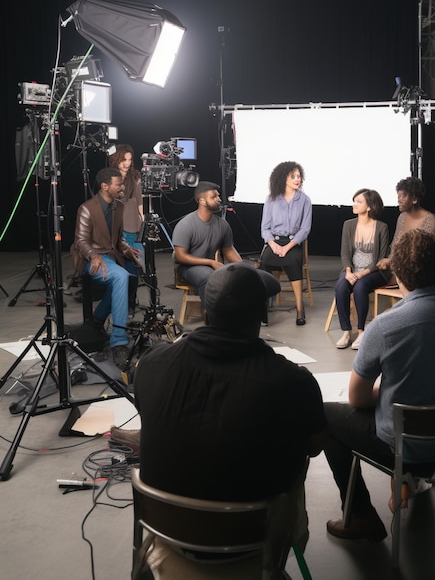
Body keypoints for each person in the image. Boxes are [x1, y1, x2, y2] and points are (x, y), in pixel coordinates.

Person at [133, 262, 327, 577]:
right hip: (252, 543)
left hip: (168, 540)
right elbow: (316, 445)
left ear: (206, 316)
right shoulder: (293, 382)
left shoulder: (151, 365)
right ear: (261, 317)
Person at [324, 229, 435, 541]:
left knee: (326, 417)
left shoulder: (385, 326)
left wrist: (385, 394)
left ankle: (361, 516)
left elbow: (358, 399)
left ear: (397, 274)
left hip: (405, 448)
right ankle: (408, 482)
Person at [70, 167, 142, 369]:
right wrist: (93, 256)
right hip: (89, 259)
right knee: (120, 276)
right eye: (118, 184)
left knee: (130, 274)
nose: (122, 187)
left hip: (111, 256)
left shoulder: (118, 206)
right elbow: (80, 242)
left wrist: (127, 250)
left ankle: (97, 319)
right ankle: (119, 342)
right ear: (105, 186)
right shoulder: (87, 208)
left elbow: (117, 239)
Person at [172, 181, 242, 313]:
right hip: (187, 268)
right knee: (209, 276)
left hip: (210, 266)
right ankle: (210, 317)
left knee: (240, 275)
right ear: (202, 201)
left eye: (218, 196)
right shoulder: (186, 224)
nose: (219, 200)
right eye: (214, 197)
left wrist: (243, 266)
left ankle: (236, 312)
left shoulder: (222, 225)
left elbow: (228, 249)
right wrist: (210, 262)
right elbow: (181, 256)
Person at [334, 188, 390, 350]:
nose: (355, 204)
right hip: (353, 270)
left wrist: (361, 274)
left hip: (374, 272)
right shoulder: (349, 225)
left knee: (360, 287)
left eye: (359, 202)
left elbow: (381, 258)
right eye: (354, 201)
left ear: (370, 206)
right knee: (341, 285)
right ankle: (346, 331)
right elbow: (344, 252)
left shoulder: (381, 227)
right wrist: (349, 272)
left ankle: (361, 332)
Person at [260, 161, 312, 325]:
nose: (297, 179)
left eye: (299, 176)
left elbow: (305, 229)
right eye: (293, 176)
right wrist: (273, 244)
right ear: (283, 178)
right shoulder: (271, 199)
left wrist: (287, 247)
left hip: (293, 242)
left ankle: (299, 308)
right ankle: (262, 310)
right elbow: (265, 228)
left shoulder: (305, 200)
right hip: (274, 241)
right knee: (265, 262)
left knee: (292, 261)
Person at [108, 144, 144, 316]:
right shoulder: (108, 178)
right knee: (115, 264)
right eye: (123, 159)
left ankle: (130, 301)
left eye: (129, 160)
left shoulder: (135, 177)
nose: (127, 163)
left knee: (131, 265)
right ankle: (116, 301)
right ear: (116, 159)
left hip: (130, 223)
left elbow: (138, 200)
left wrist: (141, 218)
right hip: (114, 223)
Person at [376, 176, 435, 276]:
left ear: (414, 199)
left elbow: (425, 252)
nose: (399, 200)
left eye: (403, 196)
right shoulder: (402, 217)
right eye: (398, 196)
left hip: (420, 270)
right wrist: (390, 260)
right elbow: (395, 244)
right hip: (399, 267)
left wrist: (394, 262)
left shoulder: (430, 219)